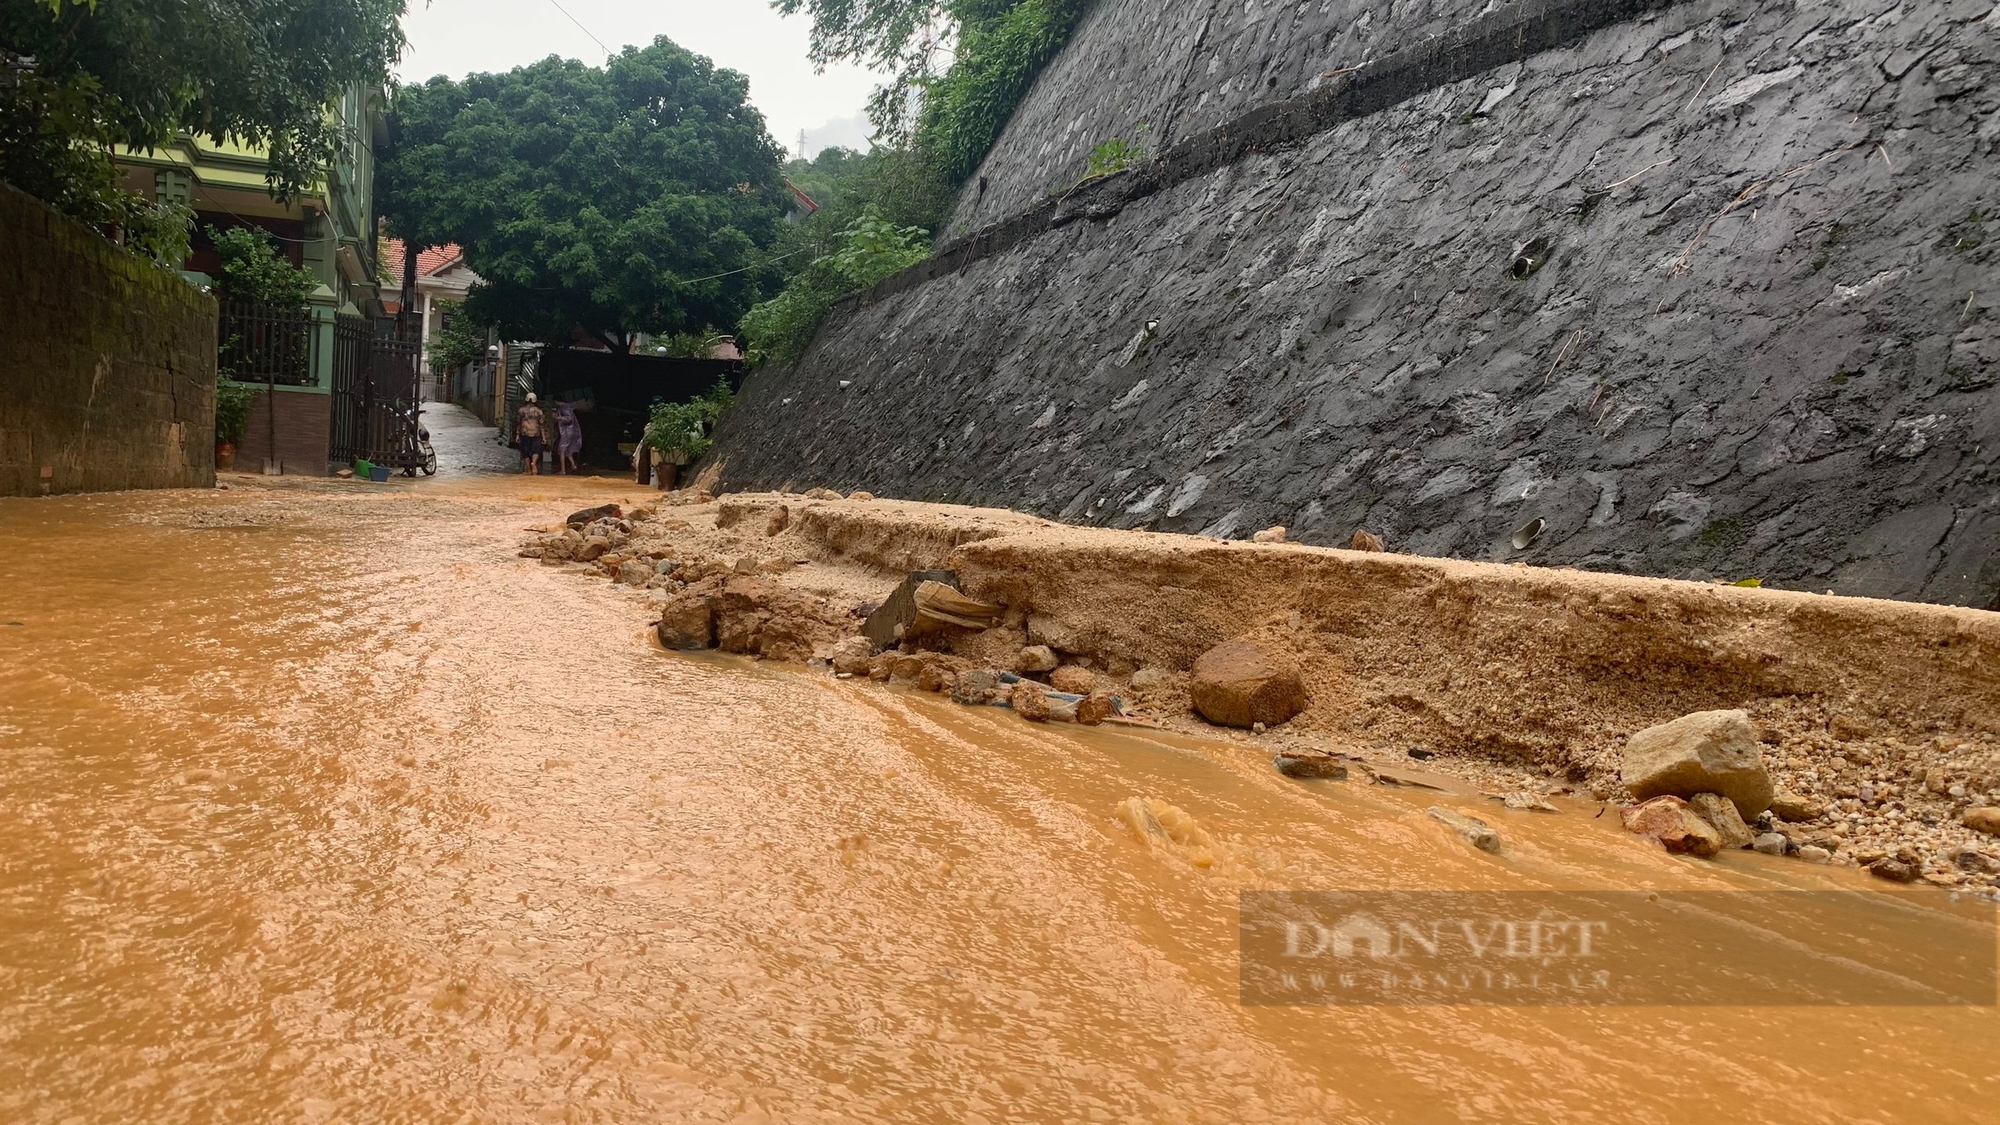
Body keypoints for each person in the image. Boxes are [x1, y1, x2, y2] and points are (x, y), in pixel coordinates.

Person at [516, 393, 546, 475]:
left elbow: (518, 423)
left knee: (525, 452)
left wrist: (517, 435)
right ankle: (534, 462)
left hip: (524, 432)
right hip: (536, 432)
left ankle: (529, 470)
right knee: (536, 450)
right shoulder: (539, 411)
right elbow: (541, 425)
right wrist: (543, 437)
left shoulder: (521, 410)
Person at [554, 400, 583, 475]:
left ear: (556, 401)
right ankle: (573, 465)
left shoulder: (564, 408)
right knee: (568, 450)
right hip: (569, 431)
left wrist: (559, 418)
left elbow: (569, 419)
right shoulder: (566, 407)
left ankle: (563, 470)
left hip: (567, 432)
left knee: (562, 450)